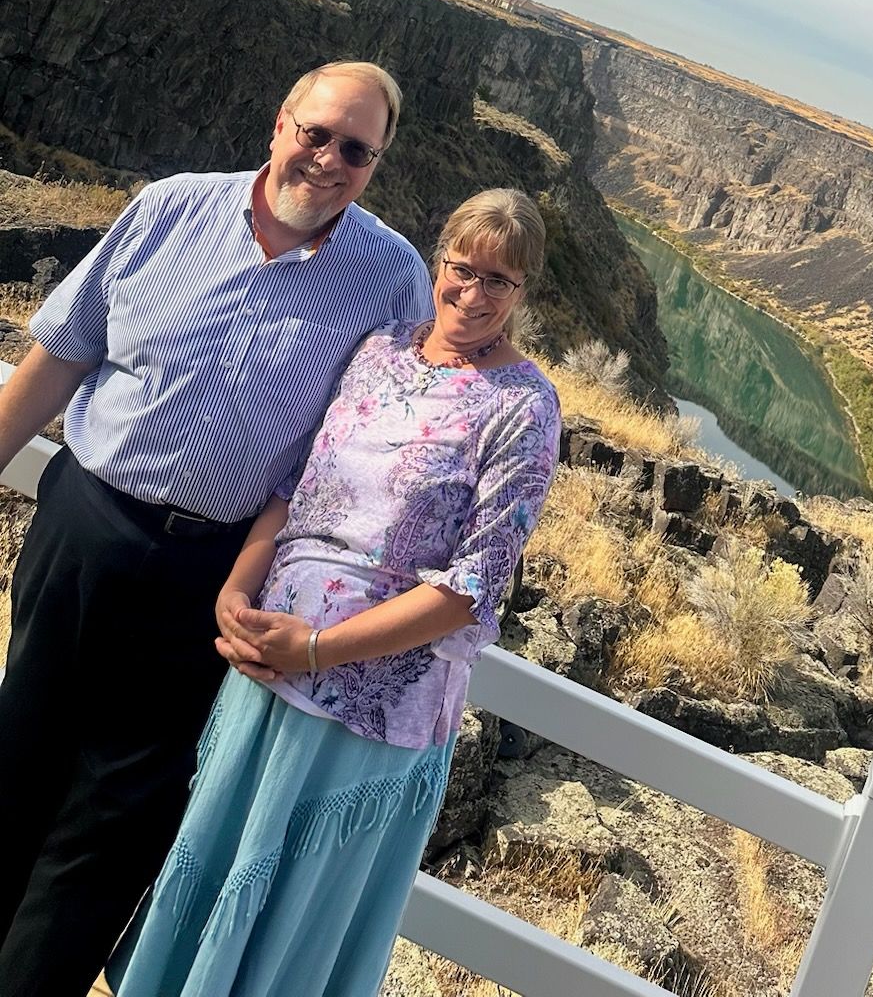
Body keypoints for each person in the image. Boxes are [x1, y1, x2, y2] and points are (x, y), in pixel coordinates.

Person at [0, 60, 432, 997]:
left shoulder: (393, 279)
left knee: (120, 815)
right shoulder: (170, 210)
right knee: (18, 750)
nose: (328, 159)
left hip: (218, 575)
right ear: (281, 122)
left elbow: (364, 451)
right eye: (316, 133)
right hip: (86, 525)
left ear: (376, 165)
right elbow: (58, 358)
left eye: (356, 150)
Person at [108, 188, 561, 997]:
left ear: (523, 292)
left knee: (288, 912)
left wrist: (316, 649)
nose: (474, 292)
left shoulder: (524, 408)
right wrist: (237, 586)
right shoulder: (380, 348)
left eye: (501, 280)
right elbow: (295, 482)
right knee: (214, 859)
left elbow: (471, 586)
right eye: (463, 267)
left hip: (369, 705)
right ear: (439, 260)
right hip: (266, 664)